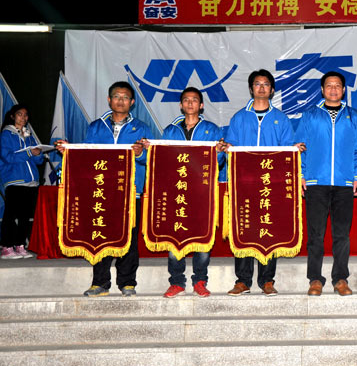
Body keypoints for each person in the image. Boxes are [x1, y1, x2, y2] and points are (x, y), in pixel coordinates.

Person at [56, 81, 152, 296]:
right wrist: (68, 151)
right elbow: (86, 154)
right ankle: (100, 283)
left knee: (129, 238)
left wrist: (140, 154)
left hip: (131, 191)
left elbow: (152, 158)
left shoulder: (142, 128)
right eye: (117, 96)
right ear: (109, 100)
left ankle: (127, 283)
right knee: (100, 235)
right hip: (101, 190)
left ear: (132, 102)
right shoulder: (96, 126)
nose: (121, 101)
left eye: (125, 97)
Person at [221, 70, 300, 297]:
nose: (262, 88)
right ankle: (242, 281)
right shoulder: (239, 118)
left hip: (270, 185)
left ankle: (267, 280)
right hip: (244, 184)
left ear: (272, 90)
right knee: (244, 227)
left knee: (268, 230)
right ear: (251, 89)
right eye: (257, 84)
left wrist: (294, 151)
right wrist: (226, 149)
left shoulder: (281, 119)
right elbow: (230, 149)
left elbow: (286, 150)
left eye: (266, 84)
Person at [296, 71, 357, 296]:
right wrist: (301, 175)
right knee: (315, 235)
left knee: (342, 235)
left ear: (343, 90)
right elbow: (300, 148)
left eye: (337, 86)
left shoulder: (354, 116)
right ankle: (315, 279)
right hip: (316, 182)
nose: (333, 89)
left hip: (344, 183)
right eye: (329, 85)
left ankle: (340, 279)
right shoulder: (310, 116)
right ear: (322, 89)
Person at [159, 87, 224, 298]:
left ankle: (200, 281)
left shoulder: (212, 130)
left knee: (202, 237)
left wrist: (220, 153)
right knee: (174, 236)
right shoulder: (170, 131)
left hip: (202, 192)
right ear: (180, 105)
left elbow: (218, 162)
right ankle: (177, 282)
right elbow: (162, 159)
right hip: (177, 191)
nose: (190, 103)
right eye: (186, 100)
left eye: (194, 100)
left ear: (201, 105)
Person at [0, 105, 43, 259]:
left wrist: (38, 153)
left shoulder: (28, 135)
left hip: (31, 181)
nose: (23, 117)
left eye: (25, 115)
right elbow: (8, 157)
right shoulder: (6, 134)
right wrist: (29, 152)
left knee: (25, 215)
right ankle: (6, 247)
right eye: (19, 114)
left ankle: (20, 245)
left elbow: (38, 161)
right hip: (14, 179)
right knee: (10, 215)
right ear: (12, 116)